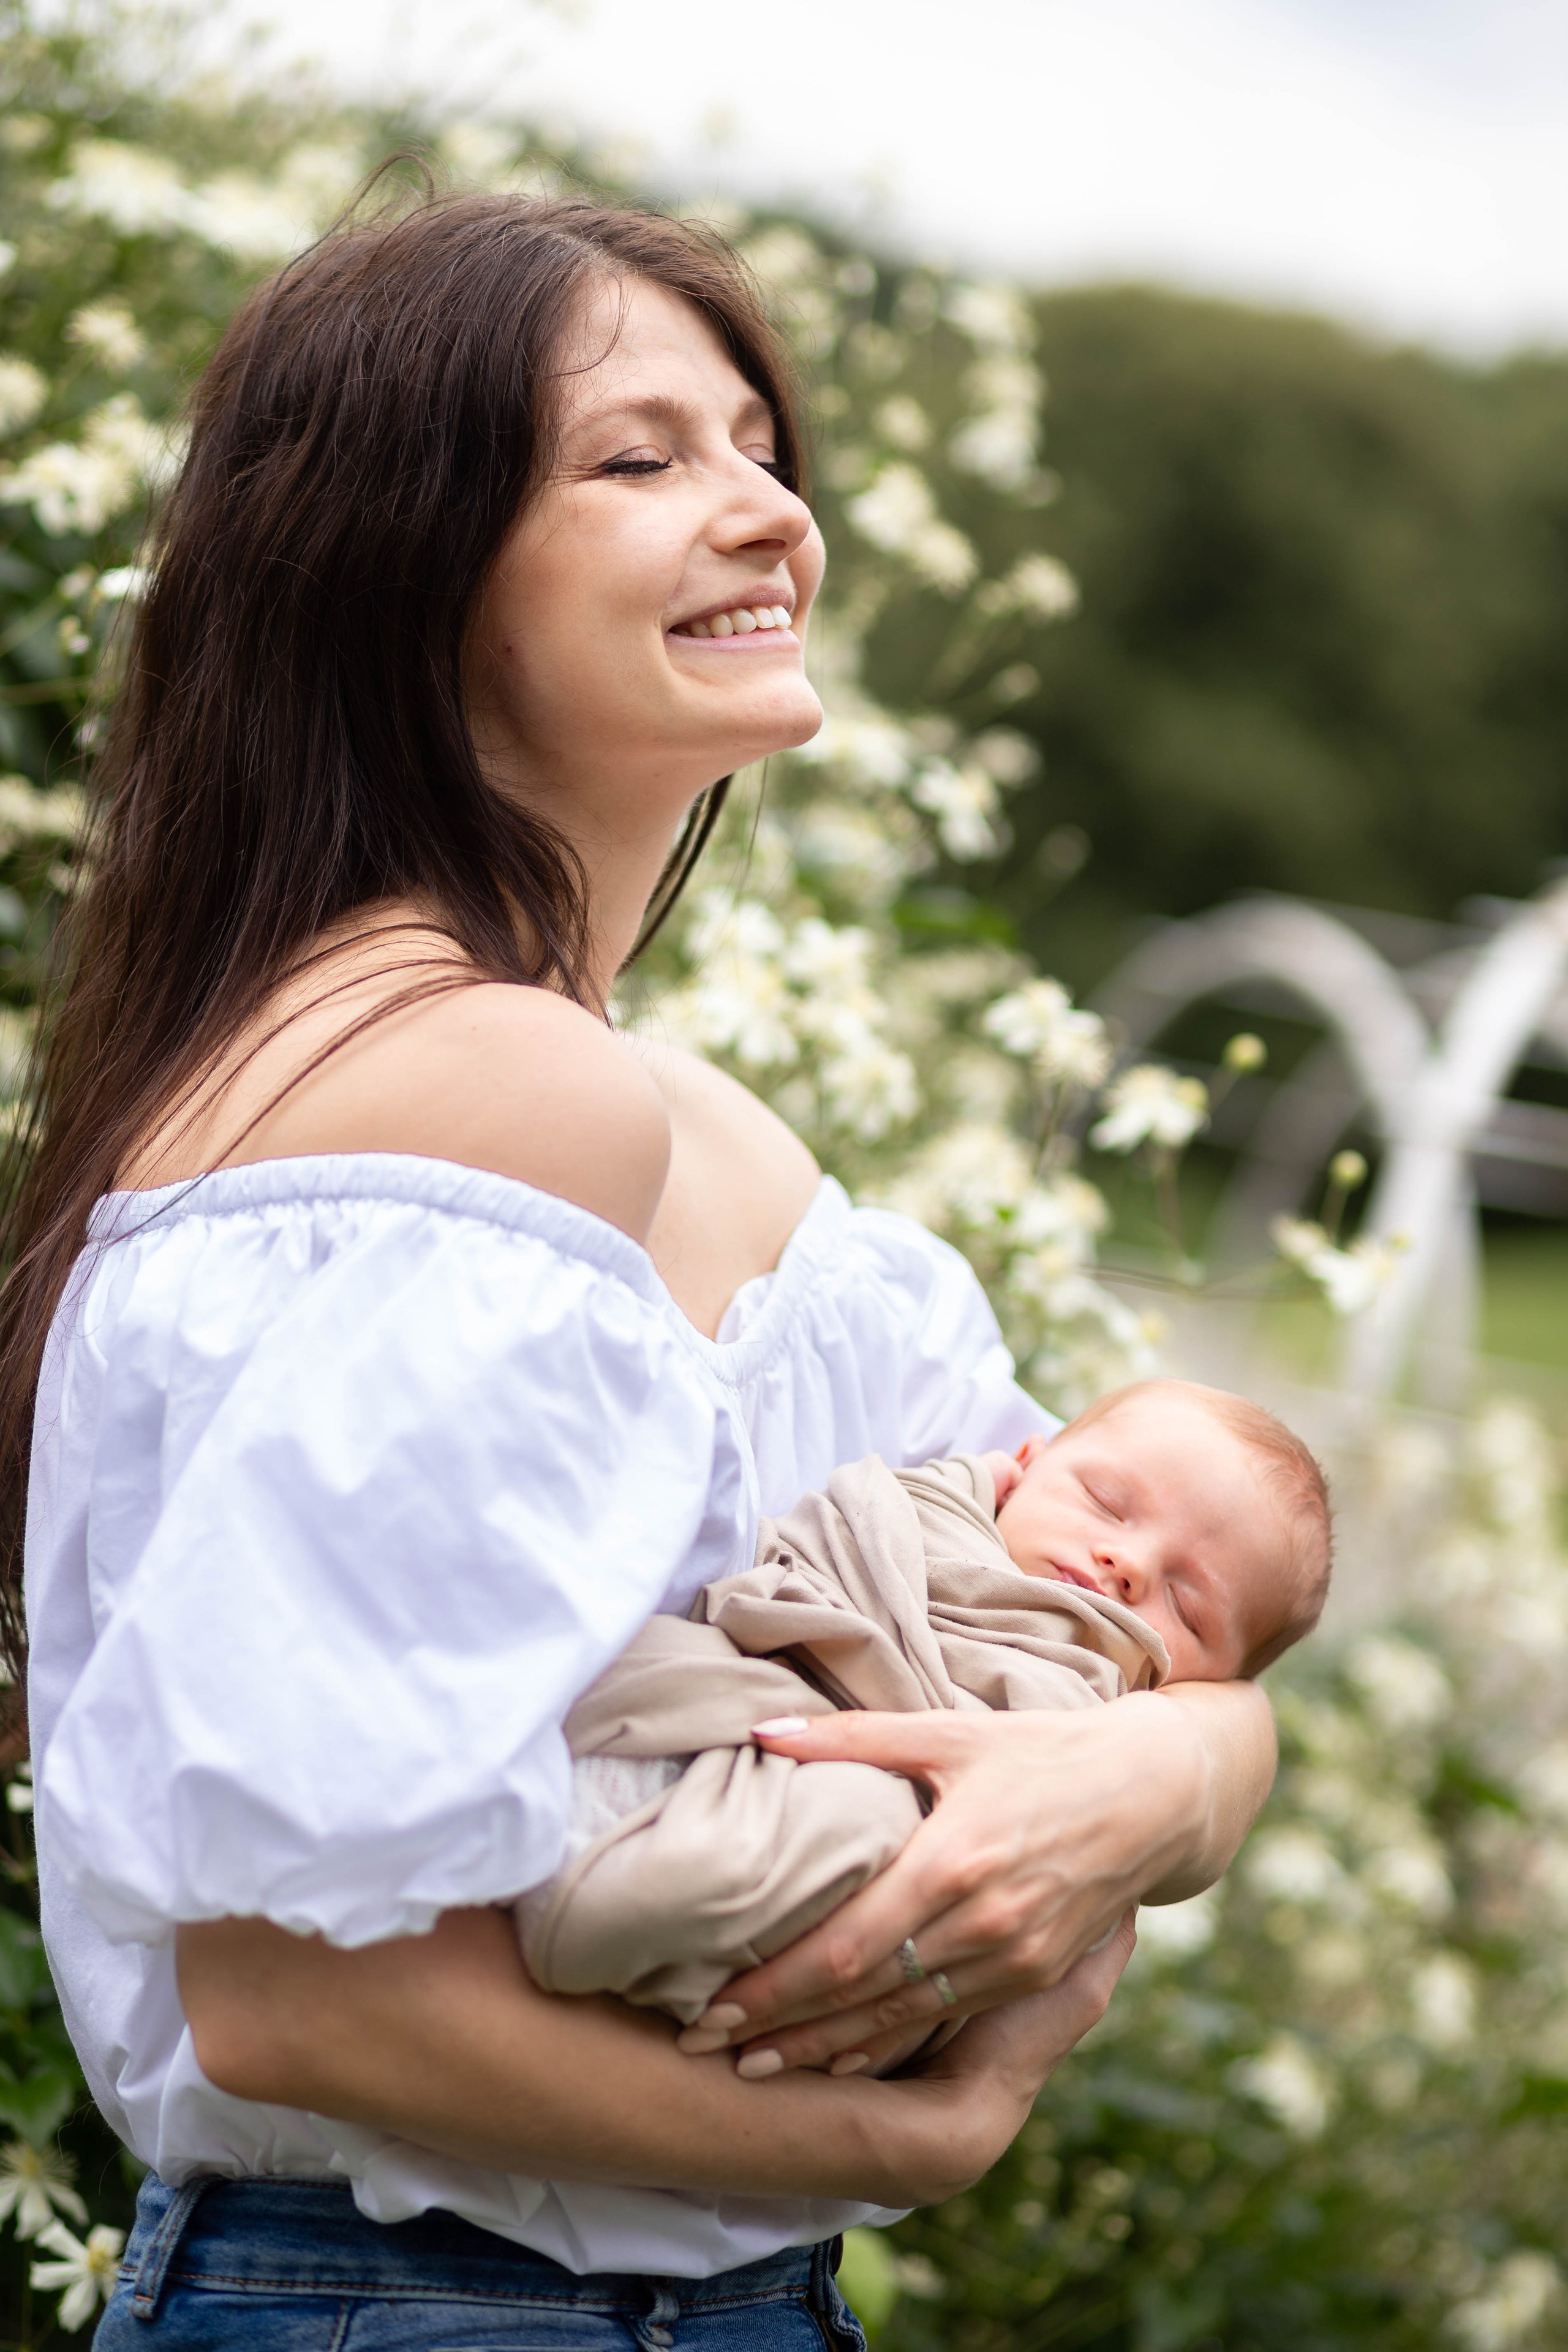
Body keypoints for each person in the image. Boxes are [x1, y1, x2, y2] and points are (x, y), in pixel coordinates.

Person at [0, 190, 1278, 2349]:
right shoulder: (475, 1099)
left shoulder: (658, 1112)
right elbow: (296, 1999)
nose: (765, 508)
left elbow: (1102, 1582)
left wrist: (1192, 1765)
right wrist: (907, 2143)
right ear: (400, 566)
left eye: (760, 441)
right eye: (640, 455)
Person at [489, 1379, 1328, 2099]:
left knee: (857, 1829)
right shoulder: (927, 1510)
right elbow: (820, 1551)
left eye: (1186, 1603)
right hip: (748, 1698)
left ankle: (634, 1885)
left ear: (1198, 1685)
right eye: (1106, 1503)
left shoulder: (1099, 1707)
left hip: (875, 1829)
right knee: (665, 1669)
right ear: (1024, 1467)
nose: (1126, 1562)